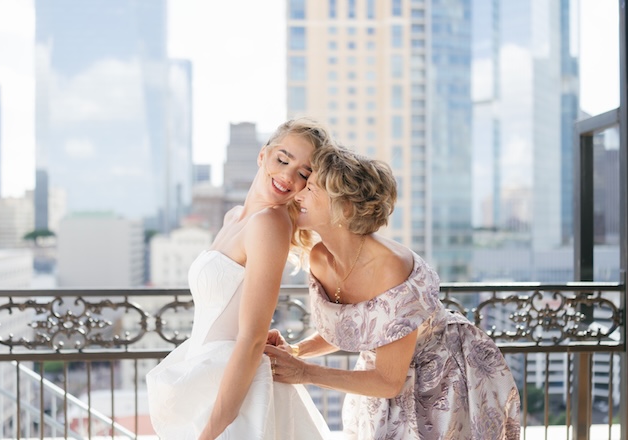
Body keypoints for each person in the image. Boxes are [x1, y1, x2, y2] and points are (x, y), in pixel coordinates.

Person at [265, 146, 521, 439]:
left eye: (311, 189)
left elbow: (388, 381)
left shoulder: (389, 268)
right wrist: (296, 350)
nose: (298, 195)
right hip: (378, 377)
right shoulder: (320, 258)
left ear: (344, 207)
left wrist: (304, 371)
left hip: (440, 377)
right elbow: (354, 327)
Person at [146, 118, 334, 440]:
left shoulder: (270, 224)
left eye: (303, 173)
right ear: (263, 155)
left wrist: (210, 433)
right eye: (283, 159)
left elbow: (252, 338)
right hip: (206, 372)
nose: (288, 176)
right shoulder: (234, 217)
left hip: (237, 391)